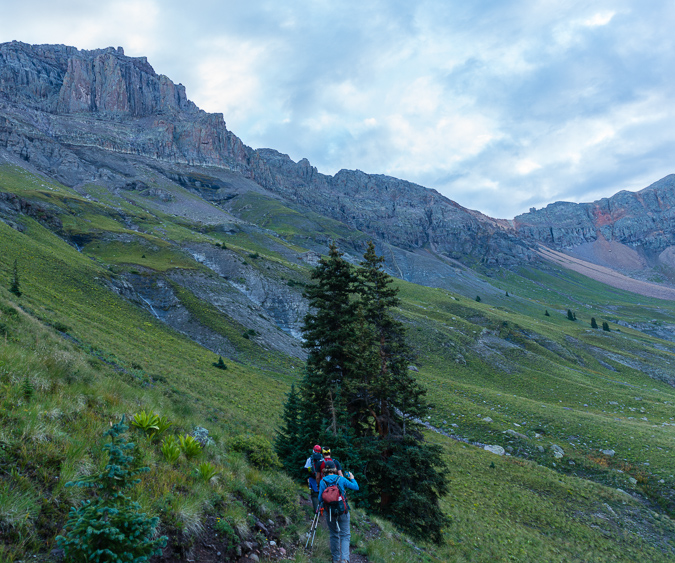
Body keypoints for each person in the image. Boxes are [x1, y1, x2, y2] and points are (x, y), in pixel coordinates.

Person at [318, 460, 358, 563]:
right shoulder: (341, 479)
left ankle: (335, 559)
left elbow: (320, 499)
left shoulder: (323, 481)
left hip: (330, 512)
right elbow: (356, 487)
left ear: (325, 470)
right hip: (342, 511)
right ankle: (344, 559)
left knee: (334, 534)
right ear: (334, 469)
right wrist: (352, 478)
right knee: (345, 535)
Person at [303, 445, 323, 511]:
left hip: (313, 478)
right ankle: (323, 509)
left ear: (313, 450)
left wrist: (310, 471)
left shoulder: (310, 459)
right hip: (321, 478)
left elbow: (305, 468)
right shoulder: (322, 459)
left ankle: (316, 510)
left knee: (314, 494)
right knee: (322, 493)